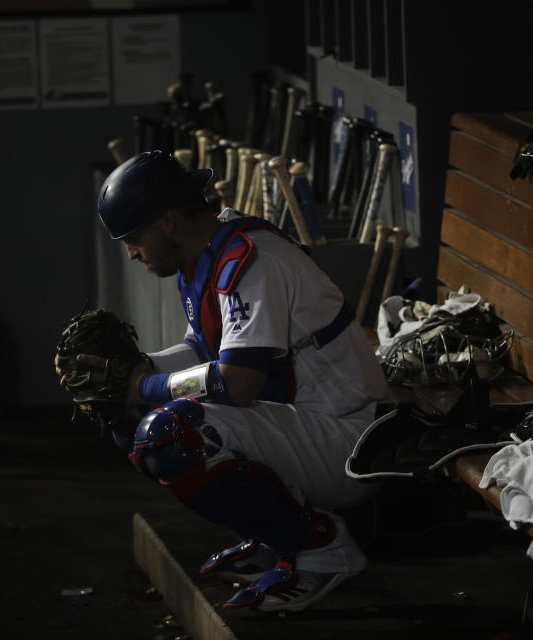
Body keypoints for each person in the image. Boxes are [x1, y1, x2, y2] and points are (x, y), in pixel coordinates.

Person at [56, 150, 388, 612]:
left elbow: (238, 382)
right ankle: (277, 533)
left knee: (174, 433)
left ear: (168, 220)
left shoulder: (250, 261)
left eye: (133, 237)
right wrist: (130, 374)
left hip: (351, 442)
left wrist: (143, 385)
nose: (131, 252)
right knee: (125, 411)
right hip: (308, 426)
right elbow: (204, 351)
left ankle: (322, 549)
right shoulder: (206, 252)